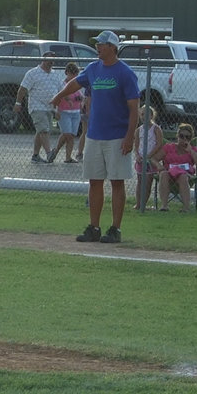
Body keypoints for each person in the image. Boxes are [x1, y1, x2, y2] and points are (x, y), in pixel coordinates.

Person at [51, 31, 140, 243]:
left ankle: (115, 229)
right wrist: (59, 95)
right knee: (95, 181)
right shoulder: (93, 69)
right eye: (97, 44)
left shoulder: (125, 73)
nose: (98, 47)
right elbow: (76, 83)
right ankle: (94, 227)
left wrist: (130, 137)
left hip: (117, 136)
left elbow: (134, 109)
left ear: (112, 47)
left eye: (101, 44)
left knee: (117, 182)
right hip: (94, 135)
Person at [16, 51, 64, 163]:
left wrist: (57, 109)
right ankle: (49, 153)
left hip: (50, 107)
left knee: (41, 131)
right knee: (44, 129)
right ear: (43, 59)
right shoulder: (33, 73)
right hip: (36, 106)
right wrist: (18, 103)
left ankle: (35, 155)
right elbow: (23, 89)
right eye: (49, 60)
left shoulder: (56, 74)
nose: (51, 63)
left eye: (53, 61)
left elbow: (60, 93)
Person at [148, 123, 197, 213]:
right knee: (163, 174)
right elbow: (153, 159)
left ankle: (186, 208)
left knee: (182, 176)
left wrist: (191, 151)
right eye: (182, 136)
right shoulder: (168, 147)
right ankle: (164, 206)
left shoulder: (193, 149)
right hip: (169, 173)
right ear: (177, 136)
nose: (184, 139)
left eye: (187, 137)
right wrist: (159, 166)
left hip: (185, 175)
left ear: (190, 139)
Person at [133, 105, 164, 210]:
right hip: (141, 159)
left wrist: (150, 155)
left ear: (151, 115)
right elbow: (136, 145)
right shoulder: (138, 130)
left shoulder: (156, 129)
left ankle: (143, 204)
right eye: (142, 114)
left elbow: (159, 143)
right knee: (140, 182)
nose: (144, 117)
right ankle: (138, 204)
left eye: (146, 114)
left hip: (150, 159)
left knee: (147, 182)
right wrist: (137, 155)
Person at [55, 62, 84, 163]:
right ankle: (56, 150)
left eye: (75, 74)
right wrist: (57, 110)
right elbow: (59, 97)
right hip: (64, 112)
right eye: (72, 73)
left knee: (71, 136)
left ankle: (68, 157)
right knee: (66, 134)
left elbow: (81, 97)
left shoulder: (77, 85)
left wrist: (81, 102)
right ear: (67, 72)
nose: (73, 76)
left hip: (76, 113)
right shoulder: (62, 85)